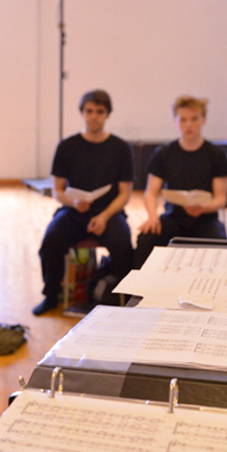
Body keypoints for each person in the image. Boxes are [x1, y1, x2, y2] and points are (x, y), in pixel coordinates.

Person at [33, 89, 134, 316]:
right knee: (50, 242)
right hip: (74, 211)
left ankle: (122, 296)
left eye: (99, 111)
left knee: (123, 245)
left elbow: (125, 193)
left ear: (107, 114)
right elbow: (57, 190)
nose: (94, 116)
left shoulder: (120, 148)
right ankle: (51, 295)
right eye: (89, 111)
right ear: (82, 113)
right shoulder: (67, 146)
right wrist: (73, 202)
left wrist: (104, 216)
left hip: (108, 212)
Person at [135, 95, 227, 268]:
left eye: (194, 119)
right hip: (174, 217)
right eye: (183, 119)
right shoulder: (164, 153)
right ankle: (138, 292)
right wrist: (152, 216)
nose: (189, 125)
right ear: (175, 122)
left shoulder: (217, 155)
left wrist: (203, 207)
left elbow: (220, 198)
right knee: (146, 238)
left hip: (206, 219)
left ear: (203, 120)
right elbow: (151, 192)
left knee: (223, 246)